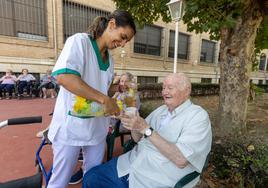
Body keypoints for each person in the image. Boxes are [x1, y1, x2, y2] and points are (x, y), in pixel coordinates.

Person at [46, 9, 136, 188]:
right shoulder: (80, 42)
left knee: (93, 178)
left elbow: (101, 89)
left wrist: (116, 88)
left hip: (96, 129)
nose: (123, 44)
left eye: (127, 40)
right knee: (60, 179)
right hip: (70, 127)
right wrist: (104, 99)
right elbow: (64, 77)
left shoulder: (109, 61)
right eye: (123, 36)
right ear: (112, 25)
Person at [83, 73, 212, 188]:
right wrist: (133, 123)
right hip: (130, 163)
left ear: (186, 91)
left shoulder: (198, 116)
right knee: (90, 177)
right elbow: (137, 138)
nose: (164, 92)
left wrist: (146, 129)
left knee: (93, 180)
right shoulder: (161, 110)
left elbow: (181, 160)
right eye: (163, 87)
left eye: (170, 88)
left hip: (155, 177)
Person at [69, 72, 141, 185]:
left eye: (124, 81)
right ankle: (87, 159)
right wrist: (115, 97)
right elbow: (109, 104)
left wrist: (115, 112)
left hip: (123, 124)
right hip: (112, 120)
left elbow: (130, 113)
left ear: (131, 82)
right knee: (93, 122)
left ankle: (87, 166)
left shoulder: (133, 96)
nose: (122, 83)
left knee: (99, 128)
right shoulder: (120, 93)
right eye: (121, 81)